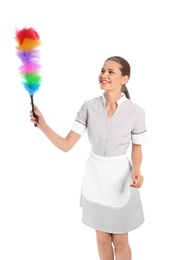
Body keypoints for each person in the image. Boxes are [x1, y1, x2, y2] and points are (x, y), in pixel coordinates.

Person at [30, 56, 147, 260]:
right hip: (95, 177)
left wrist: (137, 169)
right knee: (102, 240)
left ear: (124, 79)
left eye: (111, 72)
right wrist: (43, 126)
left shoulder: (136, 112)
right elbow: (67, 145)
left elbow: (137, 148)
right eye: (102, 70)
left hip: (120, 179)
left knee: (120, 241)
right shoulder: (88, 107)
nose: (104, 75)